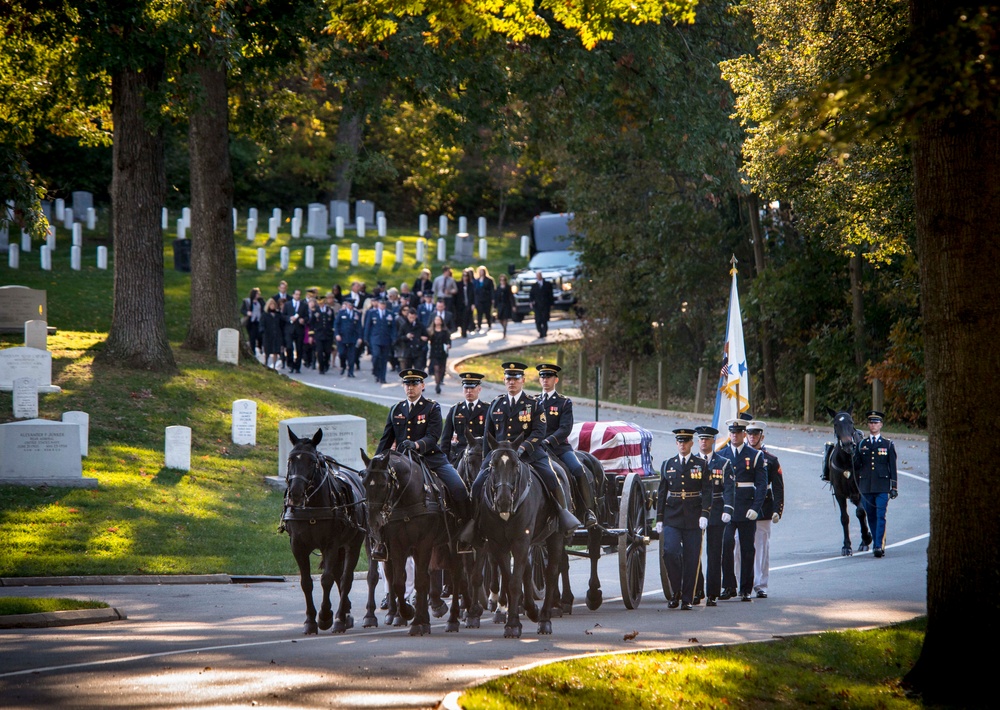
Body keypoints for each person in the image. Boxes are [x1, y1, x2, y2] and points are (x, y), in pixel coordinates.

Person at [459, 361, 581, 552]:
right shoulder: (497, 404)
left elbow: (539, 431)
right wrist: (486, 460)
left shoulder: (533, 404)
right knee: (476, 485)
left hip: (530, 454)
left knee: (551, 477)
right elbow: (488, 435)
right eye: (508, 379)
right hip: (499, 458)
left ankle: (562, 515)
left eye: (515, 379)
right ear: (504, 380)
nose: (511, 383)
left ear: (523, 381)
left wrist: (523, 447)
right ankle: (475, 524)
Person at [371, 369, 471, 561]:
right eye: (407, 384)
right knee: (379, 496)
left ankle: (464, 533)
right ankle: (380, 541)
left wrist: (416, 444)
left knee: (459, 488)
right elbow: (385, 441)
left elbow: (434, 437)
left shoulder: (432, 408)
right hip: (402, 463)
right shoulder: (396, 409)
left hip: (430, 459)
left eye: (414, 384)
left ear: (422, 386)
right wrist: (374, 465)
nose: (410, 388)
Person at [655, 428, 713, 610]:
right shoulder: (667, 464)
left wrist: (705, 513)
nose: (682, 445)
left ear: (691, 444)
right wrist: (659, 518)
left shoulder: (700, 465)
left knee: (691, 558)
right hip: (673, 516)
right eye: (679, 442)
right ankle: (676, 591)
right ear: (676, 444)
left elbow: (707, 491)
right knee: (670, 552)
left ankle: (687, 598)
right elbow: (662, 493)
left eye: (685, 442)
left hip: (693, 516)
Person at [534, 363, 598, 528]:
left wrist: (548, 441)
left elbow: (565, 428)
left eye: (548, 377)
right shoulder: (533, 401)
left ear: (556, 379)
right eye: (542, 377)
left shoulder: (563, 402)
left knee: (577, 469)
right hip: (536, 449)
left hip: (559, 448)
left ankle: (587, 511)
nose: (545, 380)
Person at [718, 414, 767, 602]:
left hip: (747, 507)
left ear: (744, 434)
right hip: (728, 508)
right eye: (732, 432)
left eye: (738, 433)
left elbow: (761, 485)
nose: (734, 436)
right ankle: (728, 585)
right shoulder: (722, 455)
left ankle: (746, 588)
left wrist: (756, 507)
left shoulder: (754, 455)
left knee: (747, 549)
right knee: (726, 545)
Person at [693, 425, 735, 607]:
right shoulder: (692, 462)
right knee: (694, 553)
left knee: (714, 553)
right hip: (696, 511)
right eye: (701, 439)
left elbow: (729, 488)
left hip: (716, 511)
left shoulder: (723, 463)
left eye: (707, 439)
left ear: (713, 441)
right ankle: (696, 590)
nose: (703, 441)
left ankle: (712, 593)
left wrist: (728, 509)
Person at [746, 419, 784, 597]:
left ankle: (761, 584)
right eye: (749, 434)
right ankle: (741, 582)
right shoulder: (739, 456)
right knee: (738, 544)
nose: (752, 437)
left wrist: (778, 510)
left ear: (762, 436)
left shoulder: (771, 460)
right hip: (744, 505)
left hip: (764, 507)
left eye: (755, 434)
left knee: (761, 547)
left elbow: (778, 487)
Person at [854, 410, 898, 558]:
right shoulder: (862, 444)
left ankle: (878, 545)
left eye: (876, 422)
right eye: (871, 422)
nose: (873, 425)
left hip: (882, 486)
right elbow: (857, 465)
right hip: (866, 487)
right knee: (871, 516)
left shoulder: (887, 444)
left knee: (881, 515)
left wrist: (893, 487)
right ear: (868, 425)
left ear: (881, 425)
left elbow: (892, 466)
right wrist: (854, 453)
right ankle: (876, 542)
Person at [439, 372, 488, 465]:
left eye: (472, 388)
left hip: (480, 456)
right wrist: (444, 461)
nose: (469, 391)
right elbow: (445, 438)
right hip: (459, 457)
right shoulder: (455, 410)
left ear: (479, 389)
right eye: (466, 388)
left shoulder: (487, 409)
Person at [363, 297, 396, 384]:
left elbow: (393, 328)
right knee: (376, 355)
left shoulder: (390, 314)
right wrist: (365, 337)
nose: (382, 305)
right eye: (381, 304)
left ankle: (382, 377)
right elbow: (368, 326)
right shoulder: (372, 313)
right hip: (375, 338)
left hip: (386, 339)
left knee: (384, 359)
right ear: (378, 304)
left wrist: (393, 338)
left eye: (384, 304)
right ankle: (376, 371)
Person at [334, 298, 363, 377]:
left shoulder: (356, 314)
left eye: (352, 305)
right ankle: (343, 365)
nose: (351, 307)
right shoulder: (341, 312)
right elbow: (336, 324)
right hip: (342, 337)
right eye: (350, 305)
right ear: (346, 305)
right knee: (342, 353)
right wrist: (337, 334)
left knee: (352, 355)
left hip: (352, 337)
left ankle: (351, 371)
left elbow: (359, 326)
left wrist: (360, 337)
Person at [282, 288, 309, 373]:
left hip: (299, 329)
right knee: (289, 347)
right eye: (296, 294)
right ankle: (290, 364)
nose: (298, 296)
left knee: (299, 348)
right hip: (289, 329)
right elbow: (283, 316)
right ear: (293, 295)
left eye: (299, 294)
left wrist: (303, 320)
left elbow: (307, 317)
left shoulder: (304, 305)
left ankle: (297, 366)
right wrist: (289, 318)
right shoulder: (287, 304)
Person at [310, 293, 337, 374]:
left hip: (328, 334)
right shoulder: (315, 311)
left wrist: (333, 332)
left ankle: (326, 364)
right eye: (319, 303)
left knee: (328, 351)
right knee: (319, 351)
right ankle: (321, 367)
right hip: (319, 334)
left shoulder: (329, 310)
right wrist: (311, 335)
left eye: (322, 302)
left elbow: (332, 322)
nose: (321, 304)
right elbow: (312, 324)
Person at [427, 315, 451, 395]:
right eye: (436, 320)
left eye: (439, 320)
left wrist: (448, 345)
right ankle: (437, 384)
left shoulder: (445, 331)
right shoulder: (431, 331)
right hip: (434, 352)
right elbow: (428, 339)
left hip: (443, 352)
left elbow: (448, 340)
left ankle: (440, 379)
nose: (437, 321)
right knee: (436, 368)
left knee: (442, 368)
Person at [528, 270, 553, 338]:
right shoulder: (534, 286)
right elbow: (531, 295)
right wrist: (531, 302)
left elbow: (550, 295)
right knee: (538, 320)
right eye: (537, 276)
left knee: (544, 319)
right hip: (537, 305)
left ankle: (544, 332)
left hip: (545, 304)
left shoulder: (547, 284)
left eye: (539, 275)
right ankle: (540, 331)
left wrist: (551, 304)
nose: (538, 277)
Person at [260, 297, 284, 369]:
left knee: (275, 351)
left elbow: (281, 324)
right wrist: (262, 330)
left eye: (273, 304)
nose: (272, 306)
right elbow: (262, 324)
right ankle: (266, 362)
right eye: (271, 304)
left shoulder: (278, 314)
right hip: (268, 334)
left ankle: (274, 365)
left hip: (277, 334)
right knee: (267, 350)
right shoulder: (265, 315)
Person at [240, 287, 263, 355]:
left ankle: (260, 348)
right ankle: (253, 352)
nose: (258, 295)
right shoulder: (247, 301)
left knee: (260, 336)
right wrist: (247, 313)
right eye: (257, 294)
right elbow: (242, 310)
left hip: (259, 321)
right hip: (251, 322)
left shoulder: (260, 301)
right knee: (252, 337)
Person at [453, 268, 476, 338]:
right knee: (460, 317)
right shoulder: (459, 284)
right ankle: (462, 329)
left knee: (466, 317)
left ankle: (464, 331)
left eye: (466, 276)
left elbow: (473, 295)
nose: (465, 277)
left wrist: (473, 304)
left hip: (468, 304)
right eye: (464, 276)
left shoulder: (471, 285)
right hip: (460, 305)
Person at [473, 266, 496, 332]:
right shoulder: (476, 280)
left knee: (487, 313)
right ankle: (479, 326)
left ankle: (489, 324)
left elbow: (492, 290)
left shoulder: (489, 280)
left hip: (487, 299)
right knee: (479, 313)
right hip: (479, 299)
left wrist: (492, 298)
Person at [494, 273, 515, 338]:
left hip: (506, 304)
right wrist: (495, 307)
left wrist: (513, 305)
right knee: (500, 318)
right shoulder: (498, 288)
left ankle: (505, 330)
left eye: (503, 280)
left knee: (505, 317)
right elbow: (496, 297)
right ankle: (503, 327)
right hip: (500, 305)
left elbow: (511, 296)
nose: (502, 281)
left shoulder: (508, 287)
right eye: (501, 280)